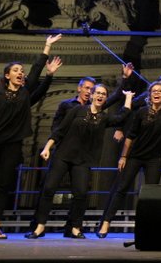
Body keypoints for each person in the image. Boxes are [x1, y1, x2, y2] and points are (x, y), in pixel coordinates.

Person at [96, 54, 161, 238]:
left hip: (154, 158)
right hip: (135, 155)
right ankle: (106, 223)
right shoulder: (141, 112)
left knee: (151, 192)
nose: (156, 93)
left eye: (160, 91)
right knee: (122, 188)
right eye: (153, 91)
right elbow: (130, 136)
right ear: (149, 95)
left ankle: (148, 227)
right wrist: (123, 156)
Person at [26, 87, 134, 239]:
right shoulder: (77, 110)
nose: (100, 96)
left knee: (81, 193)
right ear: (92, 95)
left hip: (83, 160)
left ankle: (75, 228)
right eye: (98, 93)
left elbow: (121, 117)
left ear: (105, 98)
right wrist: (47, 147)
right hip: (63, 155)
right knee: (49, 188)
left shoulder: (104, 118)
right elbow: (60, 130)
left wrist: (128, 98)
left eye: (103, 94)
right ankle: (40, 226)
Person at [0, 34, 62, 239]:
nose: (20, 73)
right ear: (7, 75)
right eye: (16, 70)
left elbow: (35, 73)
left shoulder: (25, 94)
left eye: (21, 71)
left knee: (2, 186)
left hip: (12, 145)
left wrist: (47, 48)